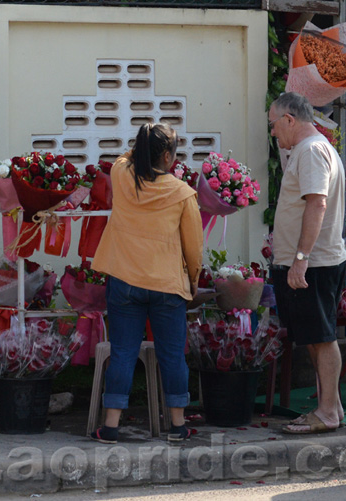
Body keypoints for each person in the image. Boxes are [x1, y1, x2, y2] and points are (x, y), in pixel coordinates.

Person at [90, 123, 203, 444]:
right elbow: (193, 248)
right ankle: (178, 427)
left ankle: (110, 425)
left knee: (123, 352)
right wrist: (192, 282)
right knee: (172, 356)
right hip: (167, 285)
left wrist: (143, 144)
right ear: (168, 155)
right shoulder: (183, 193)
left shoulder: (122, 175)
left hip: (124, 280)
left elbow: (125, 159)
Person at [268, 92, 346, 433]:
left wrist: (300, 259)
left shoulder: (312, 150)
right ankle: (331, 407)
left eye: (274, 124)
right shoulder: (308, 149)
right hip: (309, 261)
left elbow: (316, 205)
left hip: (314, 263)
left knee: (323, 336)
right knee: (316, 336)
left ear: (289, 119)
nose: (273, 133)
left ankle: (328, 411)